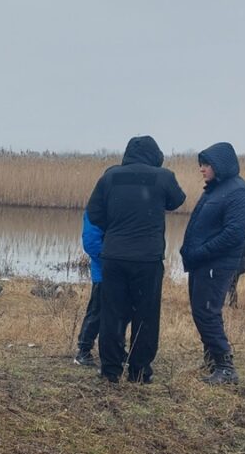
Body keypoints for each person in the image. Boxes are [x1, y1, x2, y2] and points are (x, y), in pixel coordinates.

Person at [86, 136, 185, 383]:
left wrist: (116, 228)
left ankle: (110, 371)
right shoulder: (163, 176)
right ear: (155, 155)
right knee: (146, 315)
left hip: (114, 256)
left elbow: (94, 213)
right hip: (147, 259)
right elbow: (177, 201)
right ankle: (139, 372)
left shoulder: (110, 177)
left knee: (112, 313)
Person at [180, 143, 245, 385]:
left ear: (220, 165)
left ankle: (226, 369)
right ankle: (212, 361)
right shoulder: (216, 189)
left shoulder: (240, 193)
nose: (202, 169)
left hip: (216, 264)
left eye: (206, 165)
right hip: (201, 263)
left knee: (207, 312)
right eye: (201, 164)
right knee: (201, 311)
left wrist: (201, 252)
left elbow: (233, 234)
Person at [73, 211, 104, 367]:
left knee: (120, 314)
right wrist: (110, 259)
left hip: (121, 272)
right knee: (96, 312)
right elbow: (91, 242)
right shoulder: (96, 208)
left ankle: (117, 350)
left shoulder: (120, 205)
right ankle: (83, 350)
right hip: (103, 273)